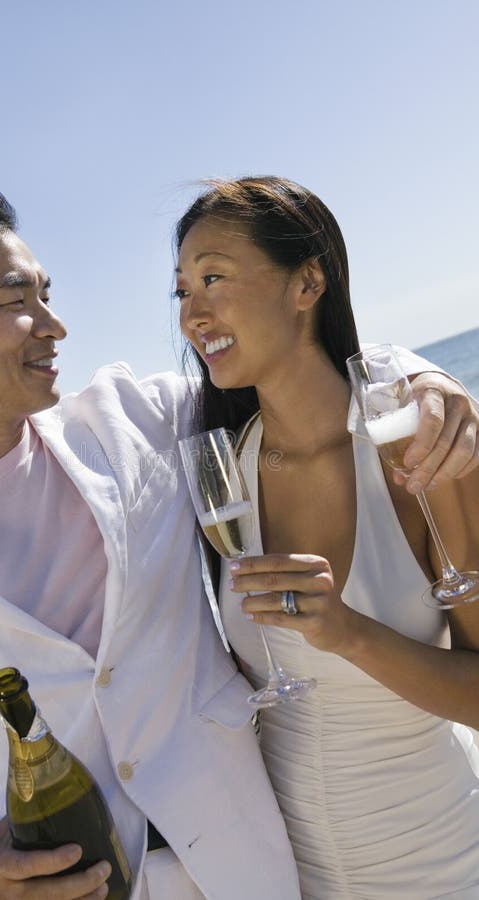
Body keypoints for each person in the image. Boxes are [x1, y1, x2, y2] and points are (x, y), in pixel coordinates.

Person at [0, 187, 474, 900]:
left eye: (47, 293)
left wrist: (420, 378)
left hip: (244, 873)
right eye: (16, 301)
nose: (55, 324)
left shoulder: (138, 427)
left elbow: (287, 358)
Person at [173, 176, 479, 898]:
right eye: (180, 289)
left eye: (213, 276)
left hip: (438, 863)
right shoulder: (222, 465)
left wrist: (348, 634)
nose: (192, 312)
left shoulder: (419, 453)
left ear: (307, 281)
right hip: (288, 878)